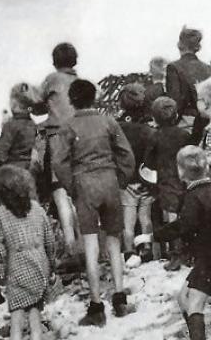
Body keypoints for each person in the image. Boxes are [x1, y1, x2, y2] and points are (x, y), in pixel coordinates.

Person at [51, 79, 135, 326]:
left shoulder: (67, 126)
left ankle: (96, 306)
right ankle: (119, 298)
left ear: (71, 100)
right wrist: (120, 179)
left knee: (90, 244)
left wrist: (72, 186)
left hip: (84, 184)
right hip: (109, 180)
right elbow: (127, 155)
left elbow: (58, 162)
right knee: (114, 242)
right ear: (94, 97)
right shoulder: (108, 121)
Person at [135, 146, 211, 340]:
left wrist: (150, 237)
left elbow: (181, 226)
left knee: (193, 304)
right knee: (183, 298)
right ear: (206, 168)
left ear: (180, 171)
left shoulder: (193, 196)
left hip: (210, 257)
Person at [0, 165, 56, 340]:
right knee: (35, 313)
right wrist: (52, 266)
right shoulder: (37, 208)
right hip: (39, 267)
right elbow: (49, 241)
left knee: (17, 318)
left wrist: (0, 276)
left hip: (17, 271)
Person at [39, 42, 80, 256]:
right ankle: (86, 245)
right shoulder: (80, 82)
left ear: (54, 61)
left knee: (60, 191)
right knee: (78, 193)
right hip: (79, 136)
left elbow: (37, 104)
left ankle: (70, 245)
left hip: (56, 137)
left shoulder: (51, 79)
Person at [146, 96, 192, 271]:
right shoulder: (184, 135)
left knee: (171, 219)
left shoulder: (154, 136)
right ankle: (188, 253)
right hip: (184, 179)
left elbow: (148, 161)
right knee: (185, 216)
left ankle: (176, 255)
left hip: (166, 181)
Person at [115, 83, 157, 266]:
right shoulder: (148, 129)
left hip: (126, 180)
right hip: (145, 178)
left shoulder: (117, 128)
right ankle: (147, 249)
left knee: (128, 220)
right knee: (145, 217)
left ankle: (129, 251)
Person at [166, 27, 211, 121]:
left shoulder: (174, 67)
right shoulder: (208, 68)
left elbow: (175, 101)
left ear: (179, 44)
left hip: (186, 120)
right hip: (208, 119)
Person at [0, 84, 41, 170]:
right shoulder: (33, 125)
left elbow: (1, 156)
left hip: (13, 170)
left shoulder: (10, 125)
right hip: (32, 170)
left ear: (13, 103)